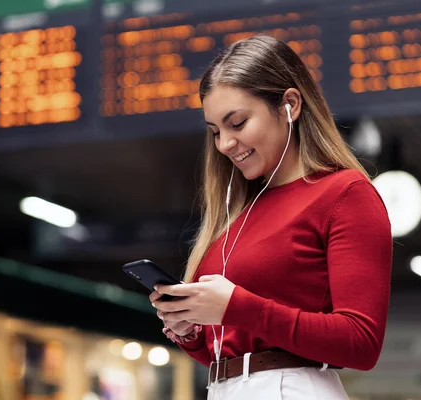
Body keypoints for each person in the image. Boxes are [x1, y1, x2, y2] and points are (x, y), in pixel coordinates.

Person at [149, 34, 392, 399]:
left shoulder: (344, 193)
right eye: (215, 131)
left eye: (238, 122)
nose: (224, 144)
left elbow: (361, 343)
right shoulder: (237, 213)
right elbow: (230, 351)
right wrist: (190, 331)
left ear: (290, 105)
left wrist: (237, 307)